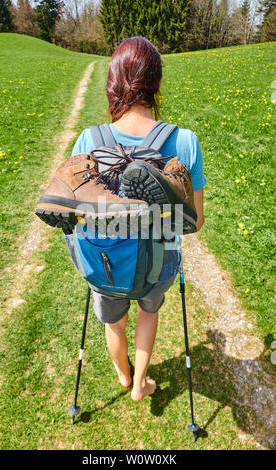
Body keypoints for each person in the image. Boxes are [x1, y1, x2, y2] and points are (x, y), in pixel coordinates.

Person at [70, 36, 206, 401]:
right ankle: (142, 383)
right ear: (157, 83)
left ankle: (124, 374)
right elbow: (194, 223)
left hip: (106, 261)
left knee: (114, 321)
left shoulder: (88, 139)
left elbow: (76, 213)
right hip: (158, 263)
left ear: (113, 83)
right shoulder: (187, 142)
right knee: (149, 313)